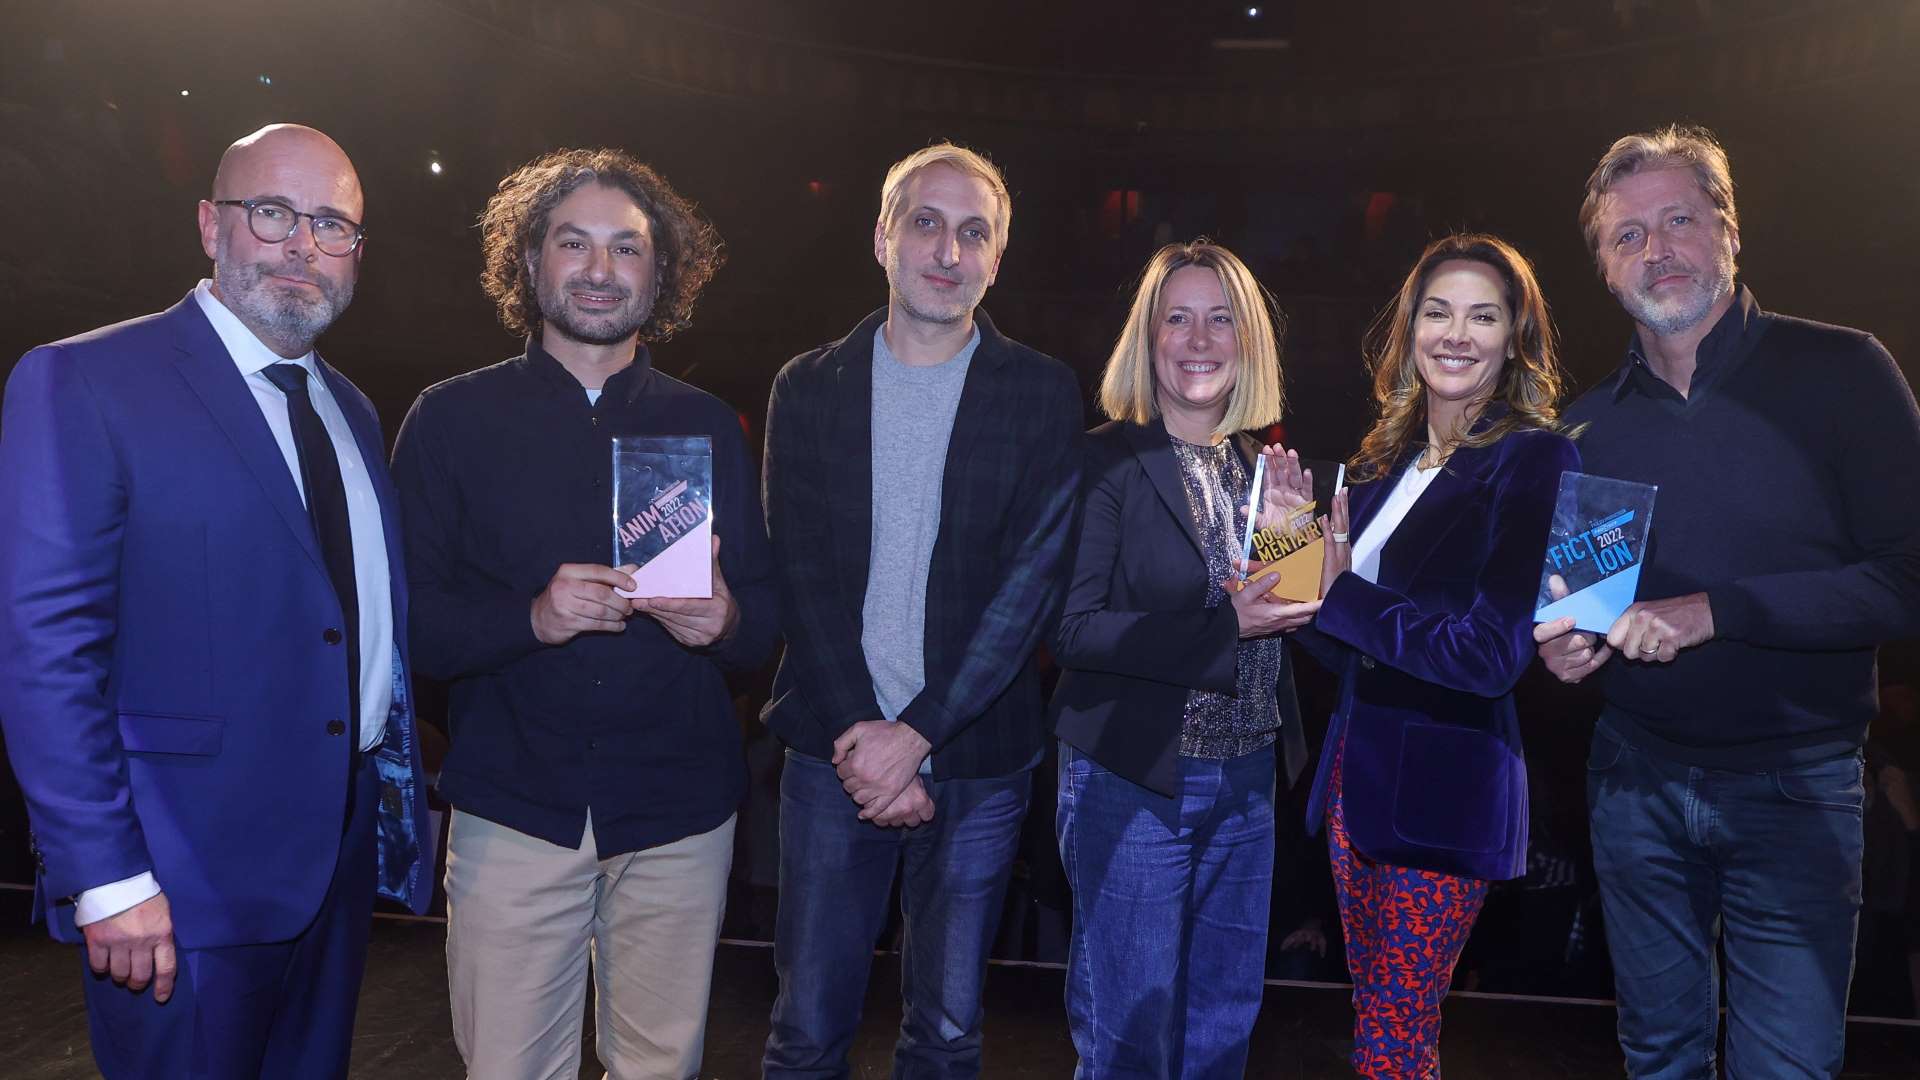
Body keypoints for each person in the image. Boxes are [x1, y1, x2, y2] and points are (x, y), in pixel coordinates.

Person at [0, 123, 431, 1078]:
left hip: (333, 868)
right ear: (210, 224)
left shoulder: (351, 411)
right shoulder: (87, 380)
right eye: (273, 213)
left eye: (332, 224)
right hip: (174, 883)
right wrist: (104, 878)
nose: (302, 246)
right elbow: (44, 650)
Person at [1535, 124, 1920, 1079]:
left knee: (1785, 1069)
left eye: (1679, 222)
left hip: (1797, 787)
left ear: (1729, 232)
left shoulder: (1845, 371)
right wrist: (1566, 651)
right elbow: (1585, 608)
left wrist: (1718, 610)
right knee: (1658, 1058)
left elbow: (1907, 578)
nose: (1657, 250)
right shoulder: (1587, 426)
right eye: (1628, 237)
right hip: (1634, 783)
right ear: (1604, 269)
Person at [389, 148, 777, 1079]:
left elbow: (766, 628)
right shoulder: (450, 420)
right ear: (530, 263)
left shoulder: (709, 424)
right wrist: (533, 617)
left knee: (660, 1070)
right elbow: (408, 628)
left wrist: (721, 621)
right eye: (575, 243)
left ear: (661, 272)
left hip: (679, 815)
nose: (601, 271)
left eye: (627, 249)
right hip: (516, 810)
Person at [759, 141, 1082, 1078]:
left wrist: (920, 733)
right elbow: (802, 577)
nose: (949, 250)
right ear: (883, 238)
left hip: (977, 761)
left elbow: (1030, 592)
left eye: (973, 232)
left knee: (945, 1037)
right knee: (805, 1030)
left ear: (998, 254)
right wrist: (868, 732)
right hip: (833, 753)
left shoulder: (1042, 392)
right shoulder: (806, 386)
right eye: (927, 224)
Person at [1297, 233, 1580, 1078]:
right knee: (1381, 1032)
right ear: (1410, 328)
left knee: (1393, 1042)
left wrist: (1341, 590)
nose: (1456, 333)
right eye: (1438, 311)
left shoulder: (1532, 458)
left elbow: (1492, 655)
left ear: (1514, 338)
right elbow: (1335, 637)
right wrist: (1289, 550)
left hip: (1445, 797)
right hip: (1353, 783)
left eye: (1483, 315)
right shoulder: (1381, 468)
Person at [1048, 240, 1314, 1077]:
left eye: (1221, 319)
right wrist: (1222, 621)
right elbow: (1072, 629)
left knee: (1222, 1031)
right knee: (1131, 1038)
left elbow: (1286, 617)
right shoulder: (1103, 459)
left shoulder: (1263, 466)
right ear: (1148, 338)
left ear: (1249, 341)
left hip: (1249, 784)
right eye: (1178, 318)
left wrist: (1310, 551)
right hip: (1135, 777)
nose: (1199, 339)